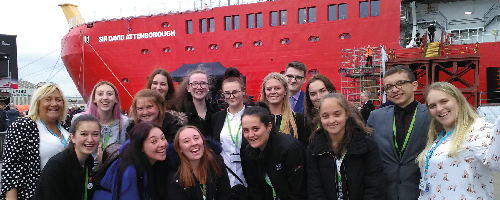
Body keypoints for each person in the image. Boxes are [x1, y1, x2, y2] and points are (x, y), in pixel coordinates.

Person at [417, 82, 500, 199]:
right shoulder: (440, 137)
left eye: (444, 101)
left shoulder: (477, 131)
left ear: (458, 100)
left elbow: (496, 162)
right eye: (432, 106)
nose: (439, 109)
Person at [366, 65, 431, 200]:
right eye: (389, 87)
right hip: (385, 193)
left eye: (400, 83)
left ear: (414, 85)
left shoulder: (431, 115)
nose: (394, 90)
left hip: (421, 194)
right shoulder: (375, 117)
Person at [307, 93, 385, 200]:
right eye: (325, 116)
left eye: (337, 114)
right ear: (320, 118)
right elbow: (315, 190)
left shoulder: (366, 145)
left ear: (346, 114)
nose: (331, 120)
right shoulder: (313, 150)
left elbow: (375, 187)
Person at [1, 83, 70, 200]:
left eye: (58, 100)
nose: (54, 104)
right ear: (37, 103)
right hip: (35, 195)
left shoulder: (66, 128)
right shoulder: (23, 126)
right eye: (48, 99)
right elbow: (10, 169)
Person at [241, 102, 307, 200]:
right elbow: (256, 191)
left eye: (256, 129)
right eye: (246, 130)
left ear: (269, 127)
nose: (250, 135)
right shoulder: (249, 152)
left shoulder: (290, 148)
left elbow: (298, 192)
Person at [93, 122, 168, 200]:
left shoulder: (143, 158)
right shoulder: (130, 172)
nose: (162, 144)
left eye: (162, 138)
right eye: (153, 141)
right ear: (140, 146)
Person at [34, 114, 100, 200]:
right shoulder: (57, 165)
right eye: (84, 134)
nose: (90, 139)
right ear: (73, 137)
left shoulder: (89, 161)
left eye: (95, 134)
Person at [166, 126, 231, 200]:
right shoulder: (175, 178)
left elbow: (225, 195)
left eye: (196, 138)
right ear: (179, 149)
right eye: (186, 141)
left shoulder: (216, 163)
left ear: (203, 141)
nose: (193, 143)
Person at [73, 81, 129, 162]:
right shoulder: (79, 119)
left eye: (109, 94)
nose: (105, 97)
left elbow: (124, 153)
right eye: (100, 94)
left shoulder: (123, 122)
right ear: (94, 99)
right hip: (84, 170)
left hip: (110, 171)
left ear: (116, 99)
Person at [211, 67, 248, 187]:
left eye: (235, 92)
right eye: (227, 93)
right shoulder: (216, 118)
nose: (231, 96)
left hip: (248, 175)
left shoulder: (253, 115)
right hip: (224, 177)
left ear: (243, 92)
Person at [261, 72, 310, 146]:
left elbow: (303, 148)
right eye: (269, 89)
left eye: (277, 88)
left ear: (285, 91)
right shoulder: (258, 118)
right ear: (265, 92)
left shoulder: (298, 119)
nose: (273, 92)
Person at [175, 67, 217, 137]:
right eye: (194, 83)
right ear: (188, 88)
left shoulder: (216, 110)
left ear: (208, 87)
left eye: (203, 83)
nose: (199, 87)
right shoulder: (180, 113)